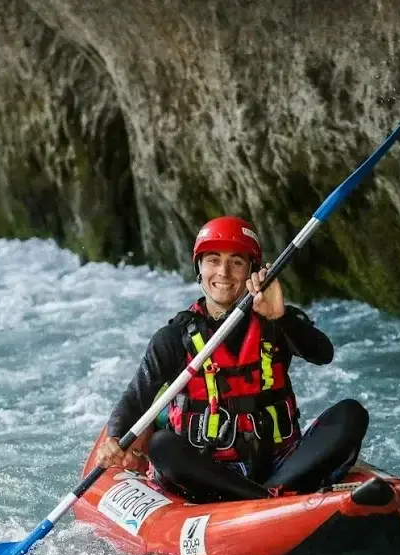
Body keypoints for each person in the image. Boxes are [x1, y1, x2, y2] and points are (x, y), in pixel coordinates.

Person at [94, 215, 371, 503]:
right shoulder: (173, 337)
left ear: (252, 270)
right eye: (213, 260)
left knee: (351, 413)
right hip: (211, 470)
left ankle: (269, 494)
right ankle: (263, 501)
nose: (223, 272)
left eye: (236, 262)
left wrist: (282, 316)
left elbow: (323, 354)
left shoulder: (276, 321)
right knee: (162, 445)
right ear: (199, 269)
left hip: (281, 463)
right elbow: (136, 398)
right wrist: (114, 436)